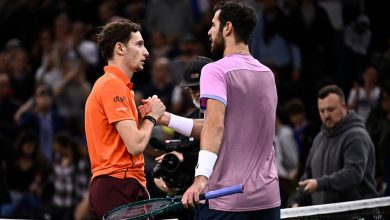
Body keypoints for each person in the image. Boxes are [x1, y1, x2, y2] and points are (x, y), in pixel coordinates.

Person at [143, 1, 280, 219]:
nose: (209, 32)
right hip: (267, 199)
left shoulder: (214, 71)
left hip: (227, 201)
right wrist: (166, 118)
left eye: (213, 25)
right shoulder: (267, 74)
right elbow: (217, 125)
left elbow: (215, 126)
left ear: (227, 28)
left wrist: (200, 179)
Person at [84, 19, 165, 218]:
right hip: (118, 185)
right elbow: (135, 145)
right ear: (120, 48)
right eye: (138, 44)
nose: (146, 52)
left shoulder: (116, 86)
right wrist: (152, 117)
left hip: (119, 185)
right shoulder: (113, 85)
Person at [288, 84, 378, 207]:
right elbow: (308, 175)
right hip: (327, 215)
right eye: (322, 111)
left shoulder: (357, 136)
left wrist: (319, 184)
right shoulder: (319, 138)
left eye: (330, 109)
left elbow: (353, 173)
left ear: (344, 107)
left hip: (357, 214)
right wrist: (297, 200)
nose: (326, 115)